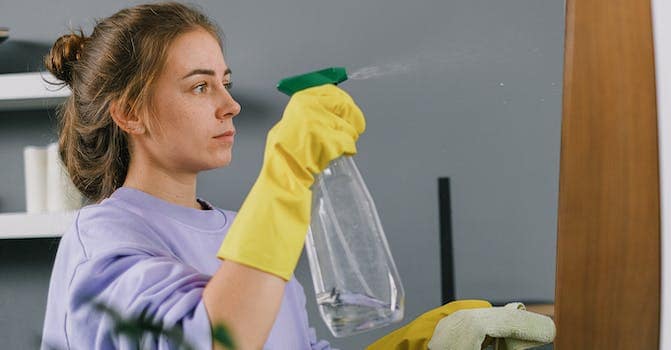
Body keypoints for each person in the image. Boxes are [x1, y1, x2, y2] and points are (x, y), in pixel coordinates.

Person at [39, 2, 495, 349]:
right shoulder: (101, 239)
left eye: (226, 83)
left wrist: (415, 344)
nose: (229, 105)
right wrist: (287, 173)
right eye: (200, 86)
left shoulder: (246, 234)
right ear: (130, 113)